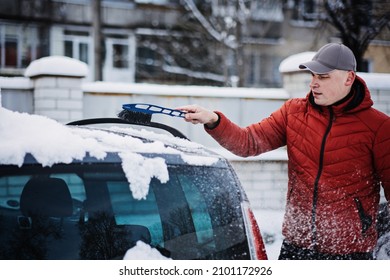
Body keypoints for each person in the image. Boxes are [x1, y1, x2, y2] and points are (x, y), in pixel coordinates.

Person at [178, 43, 390, 260]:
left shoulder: (378, 127)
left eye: (323, 77)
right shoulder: (294, 112)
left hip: (349, 253)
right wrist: (214, 120)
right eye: (313, 75)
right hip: (296, 246)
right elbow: (249, 142)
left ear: (349, 78)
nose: (313, 83)